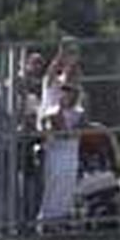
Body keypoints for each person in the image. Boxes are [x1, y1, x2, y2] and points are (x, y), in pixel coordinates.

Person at [36, 78, 84, 229]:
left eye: (71, 91)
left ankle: (63, 217)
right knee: (54, 183)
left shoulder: (79, 111)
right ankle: (47, 219)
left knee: (68, 184)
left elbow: (78, 129)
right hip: (56, 152)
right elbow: (59, 130)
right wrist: (60, 113)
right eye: (65, 91)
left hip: (71, 151)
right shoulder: (52, 110)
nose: (67, 94)